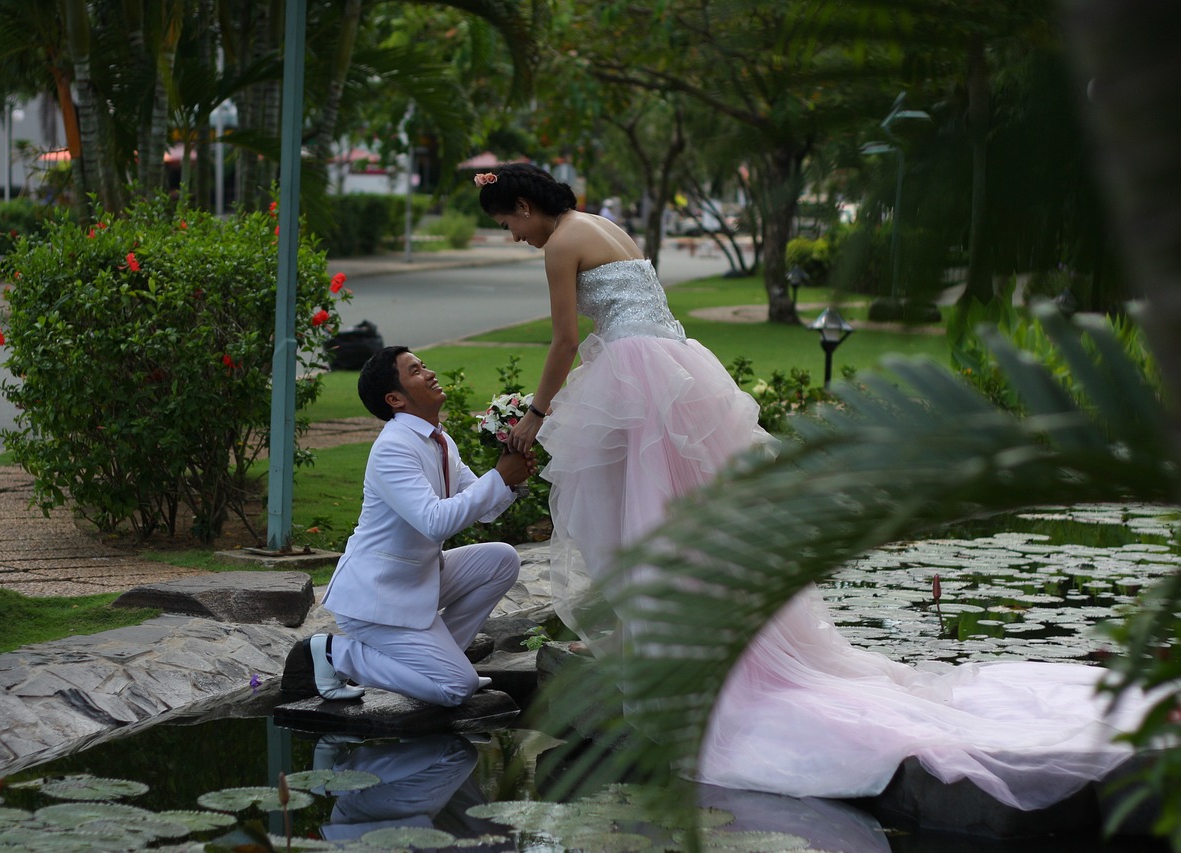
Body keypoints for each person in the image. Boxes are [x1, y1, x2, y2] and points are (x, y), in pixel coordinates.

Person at [477, 163, 1147, 811]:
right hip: (675, 362)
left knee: (648, 514)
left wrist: (535, 415)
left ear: (527, 207)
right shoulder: (601, 223)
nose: (514, 234)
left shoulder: (561, 242)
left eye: (508, 221)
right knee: (682, 510)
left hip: (638, 371)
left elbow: (565, 338)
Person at [317, 346, 537, 707]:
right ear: (395, 399)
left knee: (502, 560)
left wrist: (511, 478)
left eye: (423, 365)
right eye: (416, 371)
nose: (430, 373)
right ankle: (336, 655)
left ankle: (441, 661)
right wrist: (499, 477)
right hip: (376, 599)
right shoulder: (393, 447)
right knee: (455, 689)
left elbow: (486, 511)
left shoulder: (440, 440)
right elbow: (435, 522)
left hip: (418, 582)